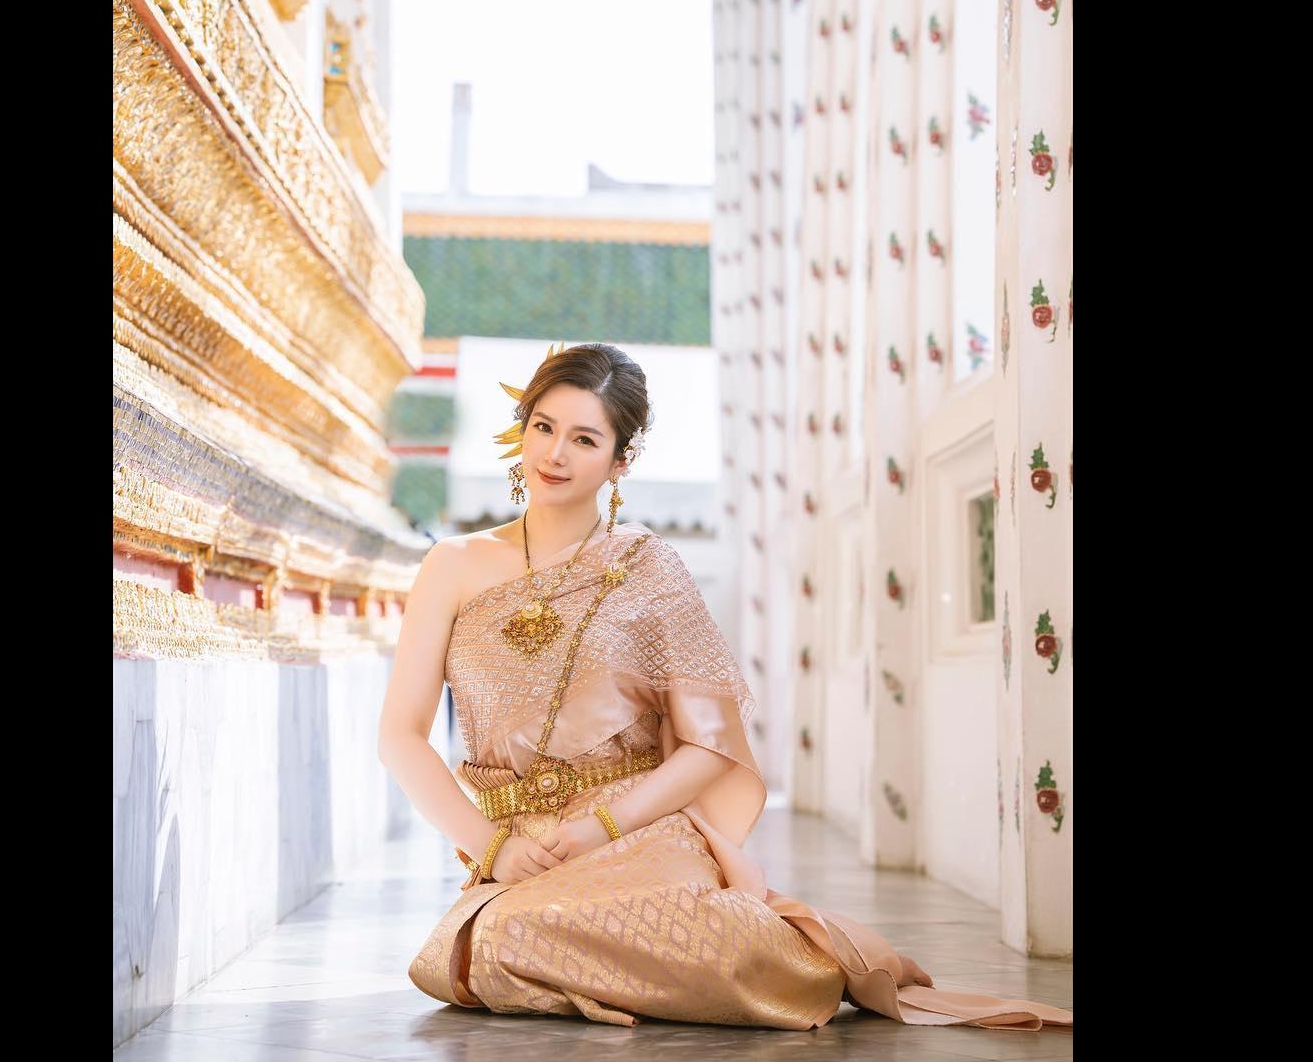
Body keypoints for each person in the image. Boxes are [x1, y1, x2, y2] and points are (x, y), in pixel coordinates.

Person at [378, 342, 1072, 1031]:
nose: (555, 454)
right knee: (488, 944)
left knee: (723, 951)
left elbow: (708, 748)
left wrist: (599, 828)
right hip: (518, 844)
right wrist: (492, 847)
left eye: (584, 438)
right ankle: (617, 972)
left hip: (634, 831)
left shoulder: (649, 569)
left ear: (620, 460)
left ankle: (746, 954)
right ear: (523, 429)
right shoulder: (453, 564)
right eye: (543, 427)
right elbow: (401, 736)